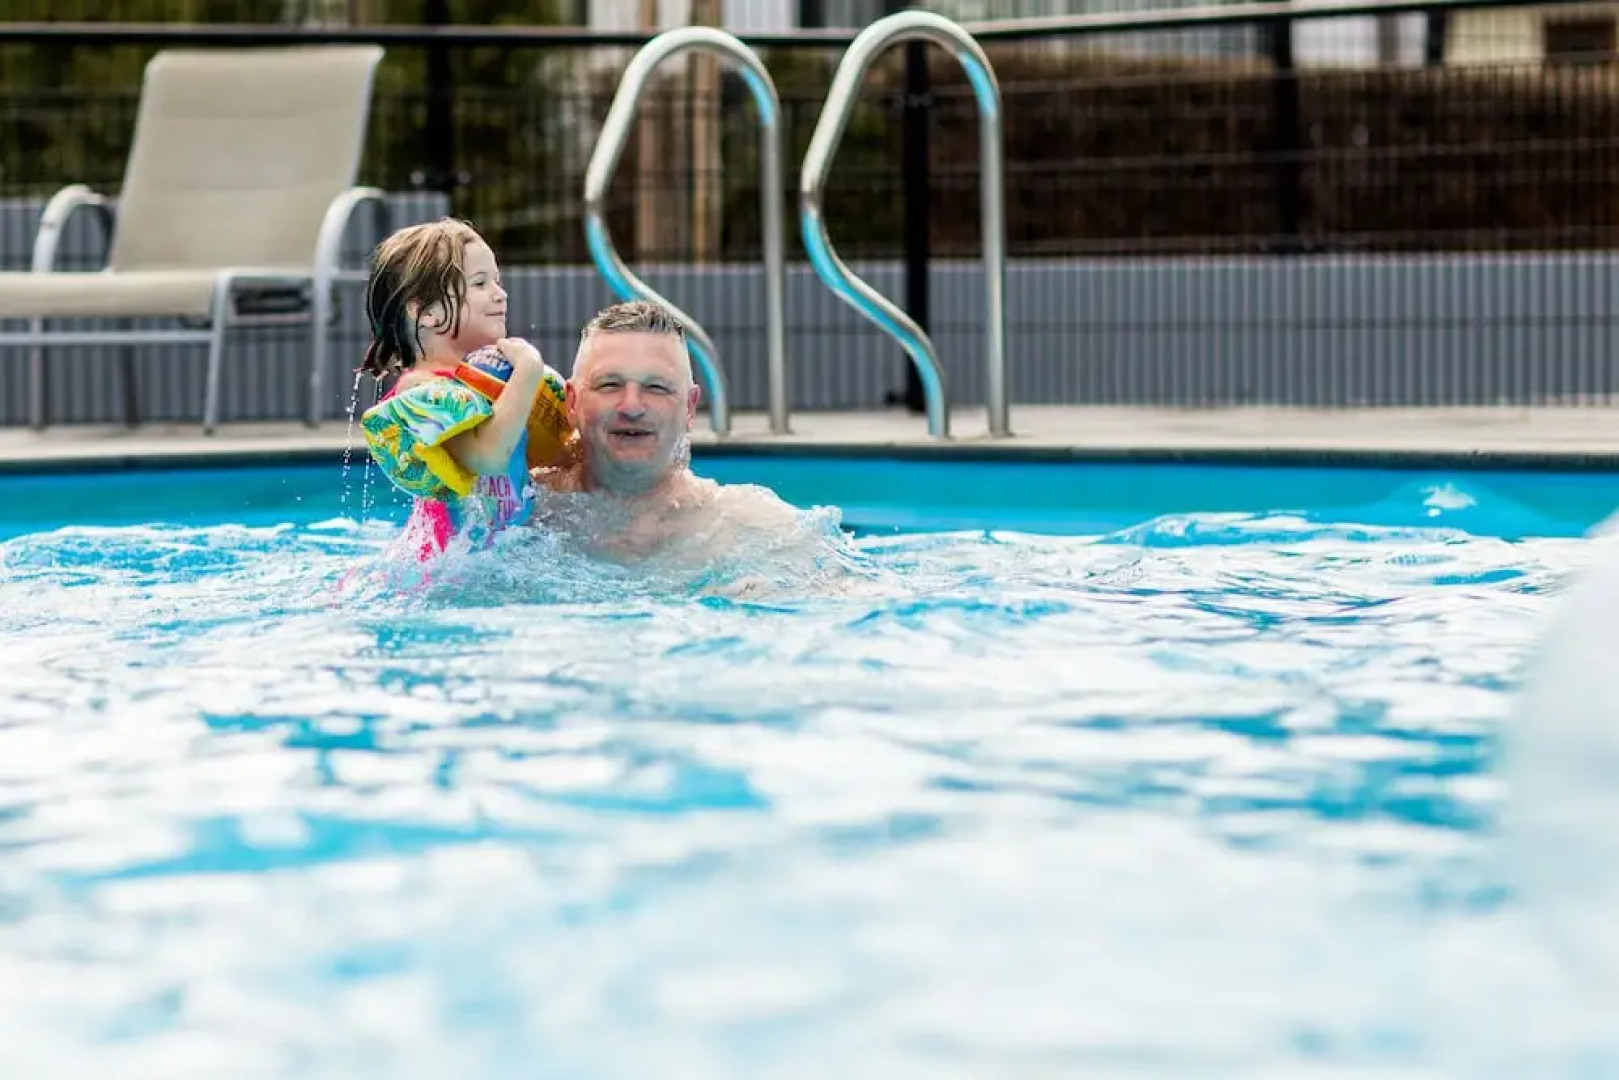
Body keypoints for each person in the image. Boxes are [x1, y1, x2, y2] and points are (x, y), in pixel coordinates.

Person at [529, 300, 811, 570]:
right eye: (610, 384)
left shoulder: (751, 526)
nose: (632, 406)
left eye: (656, 388)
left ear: (689, 407)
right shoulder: (525, 508)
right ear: (572, 402)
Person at [357, 218, 574, 560]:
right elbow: (488, 457)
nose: (500, 293)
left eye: (498, 281)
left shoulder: (492, 382)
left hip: (506, 558)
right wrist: (529, 369)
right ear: (424, 311)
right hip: (450, 569)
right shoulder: (422, 391)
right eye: (480, 283)